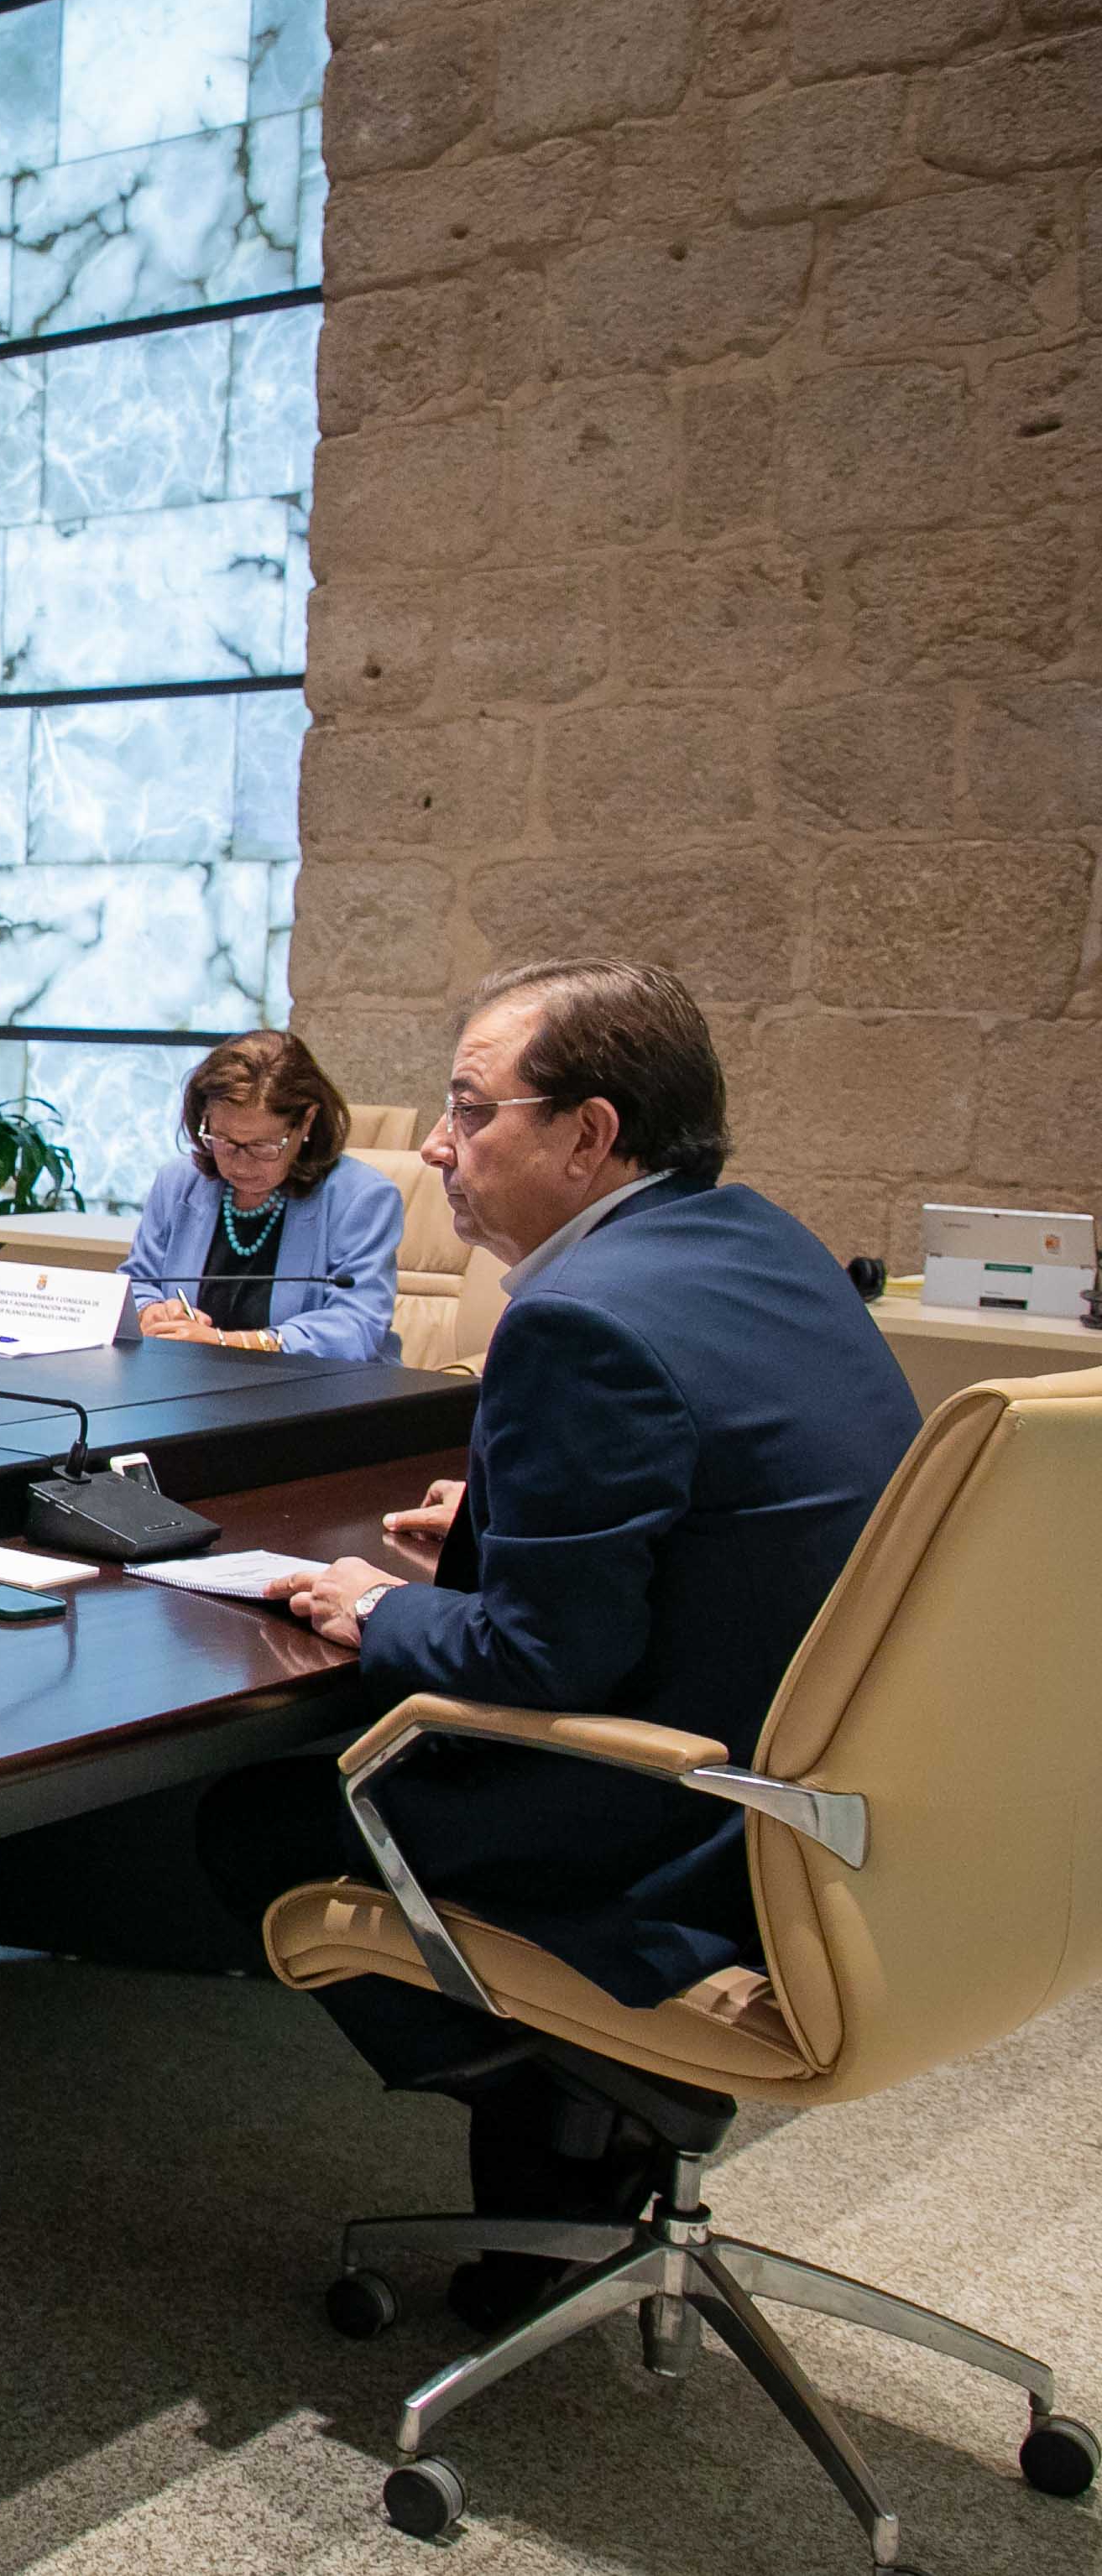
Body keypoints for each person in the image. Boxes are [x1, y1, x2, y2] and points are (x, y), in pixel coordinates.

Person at [196, 959, 917, 2323]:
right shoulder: (761, 1246)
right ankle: (591, 2136)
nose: (432, 1141)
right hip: (830, 1802)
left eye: (470, 1109)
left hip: (674, 1828)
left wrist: (389, 1605)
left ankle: (589, 2094)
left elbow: (539, 1665)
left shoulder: (577, 1318)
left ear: (587, 1136)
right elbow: (743, 1486)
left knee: (252, 1823)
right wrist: (529, 1508)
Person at [119, 1030, 403, 1361]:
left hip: (313, 1392)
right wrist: (152, 1311)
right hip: (188, 1387)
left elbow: (357, 1325)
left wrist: (227, 1342)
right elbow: (136, 1282)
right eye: (223, 1140)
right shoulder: (179, 1182)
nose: (240, 1163)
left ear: (307, 1122)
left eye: (262, 1146)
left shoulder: (362, 1197)